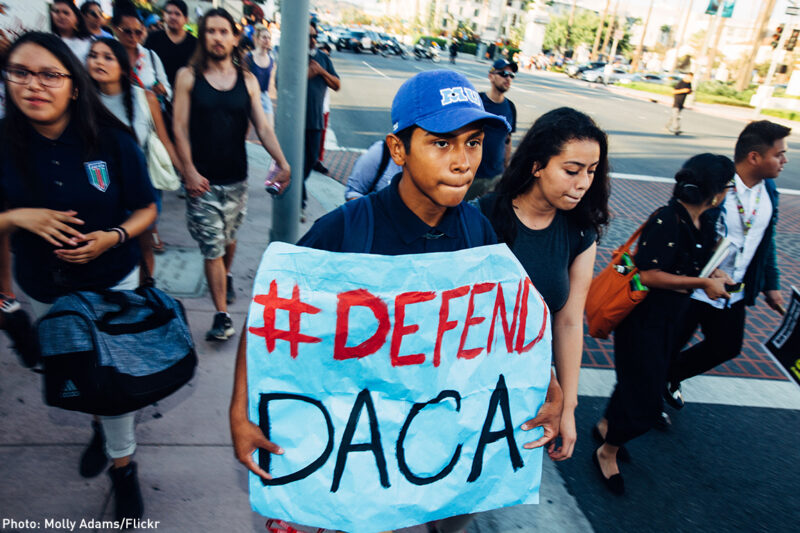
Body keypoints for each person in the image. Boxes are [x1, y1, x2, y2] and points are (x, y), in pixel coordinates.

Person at [230, 69, 564, 533]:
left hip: (435, 441)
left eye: (473, 142)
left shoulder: (476, 233)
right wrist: (241, 411)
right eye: (441, 143)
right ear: (398, 150)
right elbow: (271, 317)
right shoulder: (347, 229)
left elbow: (509, 332)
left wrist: (547, 385)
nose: (463, 161)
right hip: (361, 441)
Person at [0, 31, 157, 520]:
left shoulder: (111, 139)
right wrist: (17, 217)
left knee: (114, 383)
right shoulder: (4, 142)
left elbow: (146, 208)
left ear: (73, 82)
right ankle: (97, 426)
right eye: (20, 72)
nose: (34, 85)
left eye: (50, 74)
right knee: (74, 372)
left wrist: (112, 236)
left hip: (112, 283)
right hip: (44, 287)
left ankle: (123, 467)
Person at [594, 154, 735, 495]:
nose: (729, 193)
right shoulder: (667, 219)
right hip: (643, 319)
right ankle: (607, 450)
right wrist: (703, 285)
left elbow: (698, 260)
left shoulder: (707, 218)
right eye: (728, 186)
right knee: (645, 396)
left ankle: (605, 426)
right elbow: (647, 274)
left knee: (636, 381)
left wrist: (714, 273)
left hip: (672, 316)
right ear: (715, 191)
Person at [477, 107, 610, 463]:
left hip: (524, 388)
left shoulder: (581, 233)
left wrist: (567, 406)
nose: (583, 183)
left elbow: (568, 322)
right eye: (571, 170)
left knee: (480, 494)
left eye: (592, 172)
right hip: (467, 377)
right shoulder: (481, 216)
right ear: (537, 165)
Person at [172, 8, 290, 341]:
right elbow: (178, 128)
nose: (217, 37)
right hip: (203, 183)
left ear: (235, 37)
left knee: (229, 240)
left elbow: (263, 127)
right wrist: (189, 172)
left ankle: (223, 280)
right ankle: (222, 315)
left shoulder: (248, 81)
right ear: (203, 36)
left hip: (237, 178)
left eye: (224, 31)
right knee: (212, 248)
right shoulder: (188, 77)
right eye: (211, 31)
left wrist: (282, 161)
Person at [665, 121, 789, 408]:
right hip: (695, 287)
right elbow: (683, 231)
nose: (784, 161)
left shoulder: (769, 190)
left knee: (726, 346)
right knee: (669, 344)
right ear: (754, 157)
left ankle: (669, 377)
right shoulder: (715, 185)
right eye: (779, 154)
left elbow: (765, 239)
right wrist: (701, 270)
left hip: (733, 290)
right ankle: (644, 400)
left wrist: (771, 285)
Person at [87, 37, 183, 280]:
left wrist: (187, 175)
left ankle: (145, 296)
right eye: (94, 55)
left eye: (107, 57)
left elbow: (164, 140)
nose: (99, 61)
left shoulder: (145, 99)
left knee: (143, 246)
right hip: (98, 189)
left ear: (121, 65)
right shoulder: (81, 101)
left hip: (141, 188)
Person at [465, 59, 517, 201]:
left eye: (511, 75)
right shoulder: (476, 102)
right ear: (491, 76)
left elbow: (507, 140)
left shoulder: (510, 107)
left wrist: (506, 169)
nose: (508, 78)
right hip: (473, 175)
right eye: (504, 74)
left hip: (496, 176)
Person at [303, 21, 340, 218]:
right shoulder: (292, 55)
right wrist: (309, 73)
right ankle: (299, 202)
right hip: (294, 123)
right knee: (294, 164)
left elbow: (337, 84)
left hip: (315, 120)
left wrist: (321, 71)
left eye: (314, 36)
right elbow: (284, 84)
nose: (312, 40)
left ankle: (298, 193)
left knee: (309, 162)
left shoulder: (323, 58)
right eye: (308, 36)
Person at [114, 6, 171, 100]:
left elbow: (168, 90)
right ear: (115, 29)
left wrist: (163, 90)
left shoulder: (151, 56)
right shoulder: (109, 56)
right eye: (127, 31)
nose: (133, 36)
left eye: (138, 32)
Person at [143, 0, 197, 88]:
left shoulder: (195, 43)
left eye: (177, 14)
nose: (172, 17)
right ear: (164, 15)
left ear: (186, 19)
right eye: (169, 13)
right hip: (158, 93)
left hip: (186, 92)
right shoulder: (153, 39)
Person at [244, 24, 275, 128]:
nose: (267, 40)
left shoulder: (271, 59)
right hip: (249, 95)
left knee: (269, 128)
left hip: (264, 96)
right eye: (264, 37)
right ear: (257, 39)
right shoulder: (249, 57)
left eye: (269, 38)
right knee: (245, 129)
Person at [314, 41, 332, 175]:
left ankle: (318, 160)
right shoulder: (311, 67)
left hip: (324, 107)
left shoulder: (327, 70)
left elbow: (336, 84)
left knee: (322, 136)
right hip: (313, 108)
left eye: (327, 55)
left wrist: (323, 72)